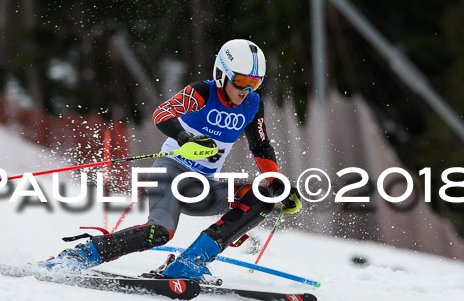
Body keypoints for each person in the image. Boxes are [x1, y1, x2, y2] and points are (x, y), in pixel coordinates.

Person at [41, 39, 302, 280]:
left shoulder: (252, 104)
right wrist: (184, 138)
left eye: (254, 83)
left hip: (201, 188)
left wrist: (276, 181)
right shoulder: (202, 92)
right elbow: (162, 114)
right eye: (241, 81)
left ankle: (190, 263)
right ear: (222, 73)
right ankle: (79, 255)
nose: (246, 90)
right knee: (159, 233)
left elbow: (261, 145)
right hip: (171, 174)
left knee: (262, 196)